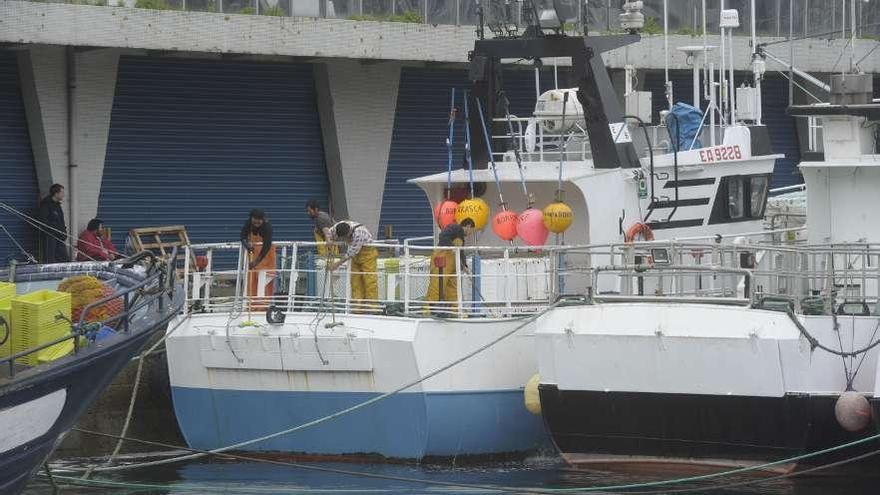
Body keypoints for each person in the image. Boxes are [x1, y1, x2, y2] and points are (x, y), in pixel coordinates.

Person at [425, 219, 475, 314]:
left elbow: (460, 252)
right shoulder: (455, 228)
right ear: (468, 226)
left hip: (452, 266)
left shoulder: (461, 238)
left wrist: (464, 266)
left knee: (452, 287)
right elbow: (442, 236)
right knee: (437, 284)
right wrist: (451, 246)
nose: (470, 233)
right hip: (441, 259)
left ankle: (454, 310)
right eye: (471, 230)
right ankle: (430, 309)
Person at [326, 221, 378, 312]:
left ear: (349, 233)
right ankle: (357, 309)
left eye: (346, 238)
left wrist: (336, 265)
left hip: (367, 254)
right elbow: (328, 232)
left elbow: (350, 254)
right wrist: (329, 240)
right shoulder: (337, 227)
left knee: (369, 281)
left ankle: (372, 308)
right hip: (356, 257)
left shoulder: (359, 234)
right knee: (355, 281)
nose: (345, 240)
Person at [240, 209, 276, 308]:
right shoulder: (249, 224)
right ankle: (252, 305)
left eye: (259, 220)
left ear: (263, 219)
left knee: (265, 282)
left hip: (266, 258)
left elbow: (267, 246)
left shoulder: (267, 227)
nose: (257, 222)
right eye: (255, 220)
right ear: (251, 218)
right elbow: (242, 236)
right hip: (252, 256)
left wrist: (257, 261)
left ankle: (263, 306)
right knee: (251, 281)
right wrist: (247, 245)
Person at [37, 183, 69, 263]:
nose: (63, 195)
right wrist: (55, 230)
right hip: (49, 237)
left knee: (64, 258)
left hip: (59, 236)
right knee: (49, 260)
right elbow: (43, 222)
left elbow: (61, 221)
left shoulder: (57, 205)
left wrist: (63, 232)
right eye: (62, 193)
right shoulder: (46, 205)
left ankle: (64, 275)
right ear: (56, 193)